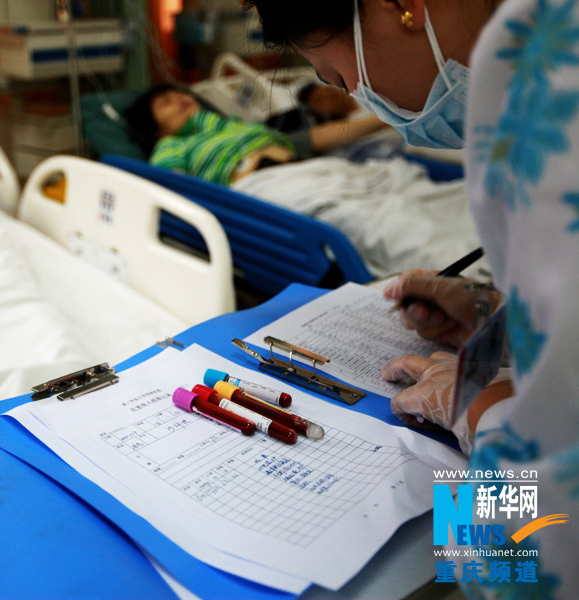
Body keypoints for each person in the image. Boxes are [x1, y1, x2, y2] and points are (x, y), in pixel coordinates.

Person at [247, 0, 577, 596]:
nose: (357, 101)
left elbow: (517, 571)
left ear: (400, 6)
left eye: (343, 79)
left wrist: (480, 405)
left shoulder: (541, 81)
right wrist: (501, 314)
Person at [123, 84, 388, 185]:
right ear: (155, 128)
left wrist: (389, 118)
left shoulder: (237, 128)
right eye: (166, 102)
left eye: (181, 94)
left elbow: (316, 137)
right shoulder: (171, 145)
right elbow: (177, 190)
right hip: (266, 185)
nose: (180, 99)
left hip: (307, 169)